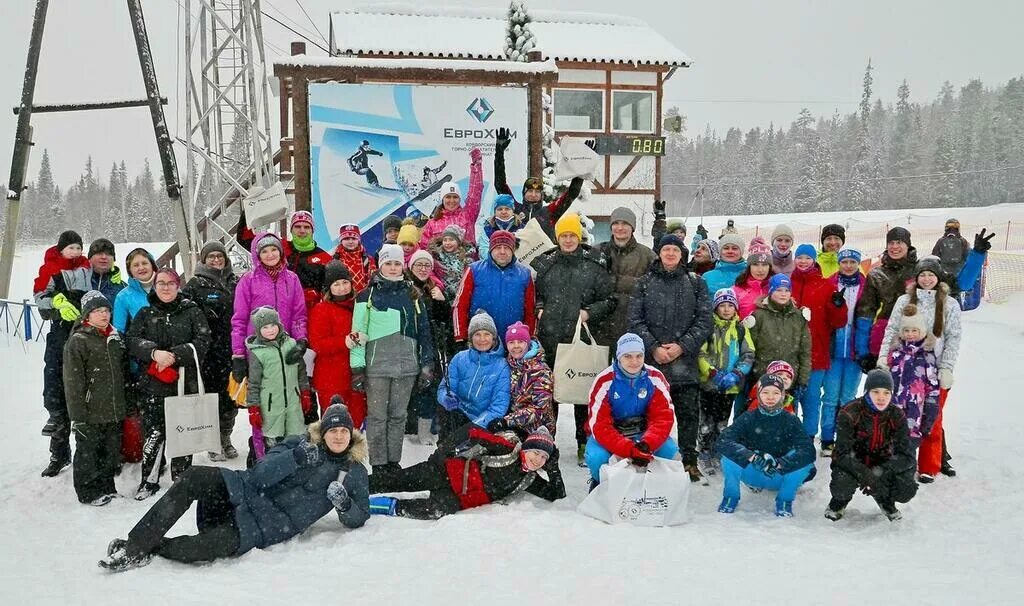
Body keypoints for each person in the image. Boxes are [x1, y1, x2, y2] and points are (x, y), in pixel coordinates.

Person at [98, 401, 369, 572]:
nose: (338, 436)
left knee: (196, 550)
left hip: (267, 525)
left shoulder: (354, 472)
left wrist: (344, 505)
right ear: (322, 431)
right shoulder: (299, 444)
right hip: (244, 489)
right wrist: (294, 458)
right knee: (194, 476)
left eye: (343, 431)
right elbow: (260, 474)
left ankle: (154, 547)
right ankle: (135, 547)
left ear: (351, 434)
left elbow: (360, 516)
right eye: (332, 430)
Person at [36, 237, 126, 477]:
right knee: (59, 395)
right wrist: (55, 304)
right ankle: (60, 453)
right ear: (89, 255)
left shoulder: (118, 283)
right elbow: (43, 300)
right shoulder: (73, 274)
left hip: (100, 348)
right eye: (98, 252)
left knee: (97, 403)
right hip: (64, 341)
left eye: (109, 253)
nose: (103, 257)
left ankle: (102, 455)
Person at [628, 234, 713, 481]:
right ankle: (644, 455)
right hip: (651, 363)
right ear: (659, 253)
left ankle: (689, 460)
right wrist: (654, 347)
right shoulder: (644, 282)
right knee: (647, 414)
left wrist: (681, 346)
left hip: (685, 363)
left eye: (675, 250)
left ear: (682, 254)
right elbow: (635, 320)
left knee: (688, 415)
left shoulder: (695, 283)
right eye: (666, 249)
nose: (670, 254)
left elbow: (704, 321)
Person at [532, 214, 616, 464]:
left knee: (582, 392)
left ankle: (583, 441)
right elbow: (535, 293)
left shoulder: (594, 264)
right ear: (557, 238)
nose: (568, 240)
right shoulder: (545, 264)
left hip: (581, 338)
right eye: (563, 236)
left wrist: (590, 312)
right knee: (550, 393)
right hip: (550, 338)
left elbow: (610, 300)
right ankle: (548, 440)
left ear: (579, 237)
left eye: (572, 235)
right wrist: (539, 308)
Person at [349, 244, 435, 476]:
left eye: (397, 263)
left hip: (407, 367)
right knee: (377, 418)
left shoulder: (413, 295)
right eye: (389, 263)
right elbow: (357, 333)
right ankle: (378, 464)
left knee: (398, 417)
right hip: (376, 367)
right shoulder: (366, 296)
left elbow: (425, 331)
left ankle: (393, 463)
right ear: (380, 265)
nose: (394, 268)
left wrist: (427, 364)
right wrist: (357, 367)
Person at [127, 268, 211, 500]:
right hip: (153, 384)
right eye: (160, 283)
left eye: (170, 283)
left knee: (183, 433)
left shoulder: (192, 311)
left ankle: (182, 479)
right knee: (154, 434)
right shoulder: (145, 313)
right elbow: (132, 340)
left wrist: (173, 354)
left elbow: (203, 340)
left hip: (184, 382)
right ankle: (149, 479)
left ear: (178, 285)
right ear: (154, 286)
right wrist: (153, 353)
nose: (165, 287)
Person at [878, 256, 962, 480]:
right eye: (922, 275)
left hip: (933, 369)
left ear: (938, 276)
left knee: (932, 418)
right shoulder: (905, 300)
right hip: (904, 368)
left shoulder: (950, 304)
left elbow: (954, 337)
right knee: (899, 416)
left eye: (930, 275)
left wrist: (946, 368)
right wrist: (884, 359)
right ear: (916, 278)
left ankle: (928, 466)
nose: (926, 279)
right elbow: (892, 330)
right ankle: (897, 460)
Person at [367, 424, 564, 519]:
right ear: (526, 448)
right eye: (535, 453)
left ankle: (383, 506)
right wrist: (443, 452)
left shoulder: (529, 479)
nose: (537, 459)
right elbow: (472, 432)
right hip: (444, 471)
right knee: (399, 479)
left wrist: (553, 469)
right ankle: (358, 485)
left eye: (543, 458)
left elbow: (555, 494)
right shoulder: (507, 448)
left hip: (460, 498)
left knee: (431, 510)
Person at [584, 333, 679, 487]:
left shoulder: (655, 378)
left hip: (643, 431)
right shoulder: (604, 381)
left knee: (669, 449)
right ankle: (601, 484)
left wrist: (646, 445)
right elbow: (599, 426)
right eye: (628, 356)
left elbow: (663, 418)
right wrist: (628, 449)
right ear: (618, 357)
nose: (634, 362)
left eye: (639, 356)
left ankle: (652, 485)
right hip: (612, 431)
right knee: (596, 457)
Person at [715, 373, 816, 517]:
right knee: (728, 457)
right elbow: (723, 440)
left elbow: (808, 451)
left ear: (782, 395)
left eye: (775, 393)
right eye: (765, 392)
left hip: (779, 474)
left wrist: (781, 463)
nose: (770, 397)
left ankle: (784, 501)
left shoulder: (791, 420)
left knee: (806, 464)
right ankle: (730, 497)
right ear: (759, 394)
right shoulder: (748, 417)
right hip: (752, 472)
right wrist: (750, 456)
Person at [825, 369, 917, 522]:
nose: (881, 397)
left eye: (886, 393)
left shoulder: (897, 415)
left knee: (906, 488)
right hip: (853, 462)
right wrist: (864, 473)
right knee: (841, 485)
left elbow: (907, 455)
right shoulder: (849, 411)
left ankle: (885, 499)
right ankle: (839, 502)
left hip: (883, 462)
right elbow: (841, 453)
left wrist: (880, 472)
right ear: (867, 391)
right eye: (876, 392)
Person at [63, 291, 127, 506]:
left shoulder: (115, 338)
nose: (104, 314)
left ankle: (107, 486)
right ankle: (88, 492)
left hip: (114, 408)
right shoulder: (79, 341)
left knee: (110, 451)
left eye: (106, 310)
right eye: (98, 311)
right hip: (89, 411)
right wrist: (77, 416)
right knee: (88, 453)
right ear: (86, 315)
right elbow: (73, 382)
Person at [182, 241, 240, 460]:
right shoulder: (195, 284)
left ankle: (226, 436)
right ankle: (213, 441)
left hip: (232, 349)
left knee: (231, 398)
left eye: (220, 256)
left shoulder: (235, 281)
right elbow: (185, 313)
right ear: (204, 260)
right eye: (211, 256)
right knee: (212, 397)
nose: (216, 260)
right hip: (209, 352)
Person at [230, 233, 308, 387]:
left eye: (274, 249)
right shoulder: (248, 281)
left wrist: (300, 341)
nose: (270, 255)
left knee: (286, 395)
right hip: (258, 350)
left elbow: (298, 315)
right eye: (264, 251)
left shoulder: (292, 279)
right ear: (257, 255)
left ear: (281, 251)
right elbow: (239, 319)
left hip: (286, 348)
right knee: (264, 399)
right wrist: (238, 354)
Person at [790, 244, 848, 439]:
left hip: (817, 351)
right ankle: (789, 436)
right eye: (800, 257)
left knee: (811, 398)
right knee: (789, 398)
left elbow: (838, 322)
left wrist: (838, 305)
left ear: (814, 260)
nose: (803, 261)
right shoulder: (787, 283)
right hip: (789, 353)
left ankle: (808, 436)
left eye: (808, 258)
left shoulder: (826, 285)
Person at [697, 288, 755, 471]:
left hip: (730, 386)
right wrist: (712, 372)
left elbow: (748, 354)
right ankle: (704, 450)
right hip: (709, 384)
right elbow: (700, 353)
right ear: (716, 308)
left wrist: (736, 374)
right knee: (706, 421)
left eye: (730, 305)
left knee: (722, 422)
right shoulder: (708, 327)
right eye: (722, 305)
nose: (726, 309)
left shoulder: (740, 329)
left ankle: (718, 450)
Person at [493, 127, 584, 240]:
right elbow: (500, 184)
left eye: (537, 192)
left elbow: (572, 193)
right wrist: (499, 153)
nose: (533, 194)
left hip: (544, 257)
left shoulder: (550, 212)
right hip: (518, 257)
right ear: (524, 193)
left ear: (541, 195)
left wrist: (583, 166)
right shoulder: (514, 208)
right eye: (530, 191)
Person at [245, 306, 313, 459]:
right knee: (273, 441)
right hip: (270, 405)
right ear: (258, 330)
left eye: (273, 325)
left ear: (279, 325)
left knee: (296, 435)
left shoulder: (291, 344)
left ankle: (297, 465)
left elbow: (301, 371)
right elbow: (254, 383)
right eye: (265, 327)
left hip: (293, 400)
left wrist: (305, 392)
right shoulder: (258, 352)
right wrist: (253, 408)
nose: (271, 330)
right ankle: (273, 464)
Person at [308, 260, 367, 428]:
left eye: (345, 282)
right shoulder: (321, 309)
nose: (342, 288)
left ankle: (354, 452)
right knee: (333, 423)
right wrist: (344, 341)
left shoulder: (359, 305)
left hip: (356, 373)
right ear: (329, 288)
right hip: (331, 376)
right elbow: (318, 343)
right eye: (336, 284)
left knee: (356, 420)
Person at [437, 311, 511, 441]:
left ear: (493, 338)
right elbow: (444, 388)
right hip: (456, 416)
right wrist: (446, 398)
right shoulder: (460, 358)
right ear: (471, 338)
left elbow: (498, 408)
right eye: (477, 334)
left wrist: (473, 427)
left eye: (487, 334)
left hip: (482, 423)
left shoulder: (502, 366)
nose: (482, 339)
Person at [453, 229, 535, 346]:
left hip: (513, 342)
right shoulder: (474, 270)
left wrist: (530, 336)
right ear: (491, 249)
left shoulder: (525, 274)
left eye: (506, 248)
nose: (502, 251)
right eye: (498, 247)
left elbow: (530, 311)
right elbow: (460, 304)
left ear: (513, 251)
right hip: (481, 341)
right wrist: (460, 335)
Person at [238, 210, 332, 310]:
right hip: (278, 308)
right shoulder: (280, 247)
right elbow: (245, 240)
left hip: (308, 312)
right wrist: (247, 213)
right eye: (297, 227)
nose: (302, 231)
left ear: (312, 230)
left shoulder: (324, 257)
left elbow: (332, 291)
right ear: (291, 229)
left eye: (307, 227)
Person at [821, 248, 866, 455]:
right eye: (844, 261)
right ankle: (827, 437)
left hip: (855, 350)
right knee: (830, 397)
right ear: (839, 263)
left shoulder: (866, 286)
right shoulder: (829, 283)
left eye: (852, 262)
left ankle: (845, 437)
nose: (848, 265)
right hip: (833, 348)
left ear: (858, 264)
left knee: (848, 397)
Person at [855, 227, 918, 371]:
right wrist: (863, 352)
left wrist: (976, 256)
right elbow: (866, 312)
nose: (894, 247)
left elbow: (958, 285)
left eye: (899, 242)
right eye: (891, 243)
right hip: (883, 341)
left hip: (914, 337)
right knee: (882, 389)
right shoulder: (877, 274)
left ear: (908, 245)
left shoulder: (920, 271)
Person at [743, 274, 812, 404]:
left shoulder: (798, 317)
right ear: (770, 291)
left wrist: (802, 381)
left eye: (787, 290)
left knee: (786, 420)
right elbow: (749, 349)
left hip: (788, 382)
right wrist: (749, 377)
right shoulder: (759, 316)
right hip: (762, 380)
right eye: (778, 290)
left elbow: (805, 352)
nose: (783, 294)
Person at [406, 250, 451, 445]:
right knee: (410, 389)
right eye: (419, 265)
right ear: (411, 267)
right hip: (410, 344)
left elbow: (443, 318)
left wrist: (441, 301)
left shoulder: (433, 287)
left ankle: (425, 430)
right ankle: (410, 428)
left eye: (427, 266)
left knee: (429, 386)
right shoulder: (406, 287)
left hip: (430, 344)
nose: (423, 269)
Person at [594, 207, 657, 347]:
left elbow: (655, 286)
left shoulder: (646, 255)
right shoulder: (598, 251)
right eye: (616, 223)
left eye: (625, 224)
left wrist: (620, 282)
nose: (620, 227)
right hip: (601, 327)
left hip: (633, 325)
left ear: (632, 227)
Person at [884, 305, 941, 456]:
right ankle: (887, 474)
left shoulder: (927, 356)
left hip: (915, 411)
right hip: (894, 408)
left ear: (921, 332)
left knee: (908, 446)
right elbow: (884, 381)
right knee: (889, 443)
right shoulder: (895, 354)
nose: (910, 334)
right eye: (906, 331)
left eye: (914, 330)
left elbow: (933, 387)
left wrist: (930, 412)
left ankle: (905, 474)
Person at [489, 321, 556, 437]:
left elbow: (539, 409)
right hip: (510, 425)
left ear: (528, 343)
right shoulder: (506, 365)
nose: (516, 346)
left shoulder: (541, 371)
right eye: (511, 342)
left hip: (536, 429)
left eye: (520, 342)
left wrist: (507, 421)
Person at [419, 148, 484, 245]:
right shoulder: (432, 223)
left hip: (468, 259)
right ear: (442, 199)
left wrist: (476, 165)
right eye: (448, 197)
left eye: (455, 197)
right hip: (441, 260)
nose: (452, 200)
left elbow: (475, 192)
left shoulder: (468, 215)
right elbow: (425, 248)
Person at [111, 248, 157, 333]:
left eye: (145, 263)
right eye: (136, 265)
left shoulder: (167, 288)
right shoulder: (123, 297)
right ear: (130, 271)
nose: (141, 267)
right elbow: (119, 331)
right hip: (139, 344)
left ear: (152, 266)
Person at [32, 230, 89, 297]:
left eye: (78, 248)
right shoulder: (49, 268)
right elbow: (40, 294)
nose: (75, 252)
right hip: (57, 306)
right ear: (61, 250)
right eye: (71, 248)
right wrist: (54, 302)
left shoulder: (85, 265)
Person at [429, 224, 477, 300]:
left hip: (464, 297)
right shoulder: (436, 257)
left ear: (458, 241)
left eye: (451, 240)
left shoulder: (468, 258)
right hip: (444, 298)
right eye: (445, 240)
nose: (447, 243)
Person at [333, 223, 378, 293]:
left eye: (354, 238)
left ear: (358, 240)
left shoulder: (367, 260)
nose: (350, 242)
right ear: (341, 241)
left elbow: (373, 280)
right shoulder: (335, 260)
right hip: (342, 298)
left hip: (363, 300)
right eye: (347, 239)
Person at [478, 193, 524, 258]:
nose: (503, 212)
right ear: (495, 211)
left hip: (516, 264)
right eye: (500, 209)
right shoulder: (488, 229)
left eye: (507, 209)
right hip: (494, 265)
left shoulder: (521, 228)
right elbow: (483, 250)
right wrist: (498, 259)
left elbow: (525, 248)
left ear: (513, 210)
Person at [732, 250, 774, 319]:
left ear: (770, 267)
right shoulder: (735, 290)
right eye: (755, 264)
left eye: (764, 264)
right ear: (749, 267)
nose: (760, 270)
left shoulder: (777, 288)